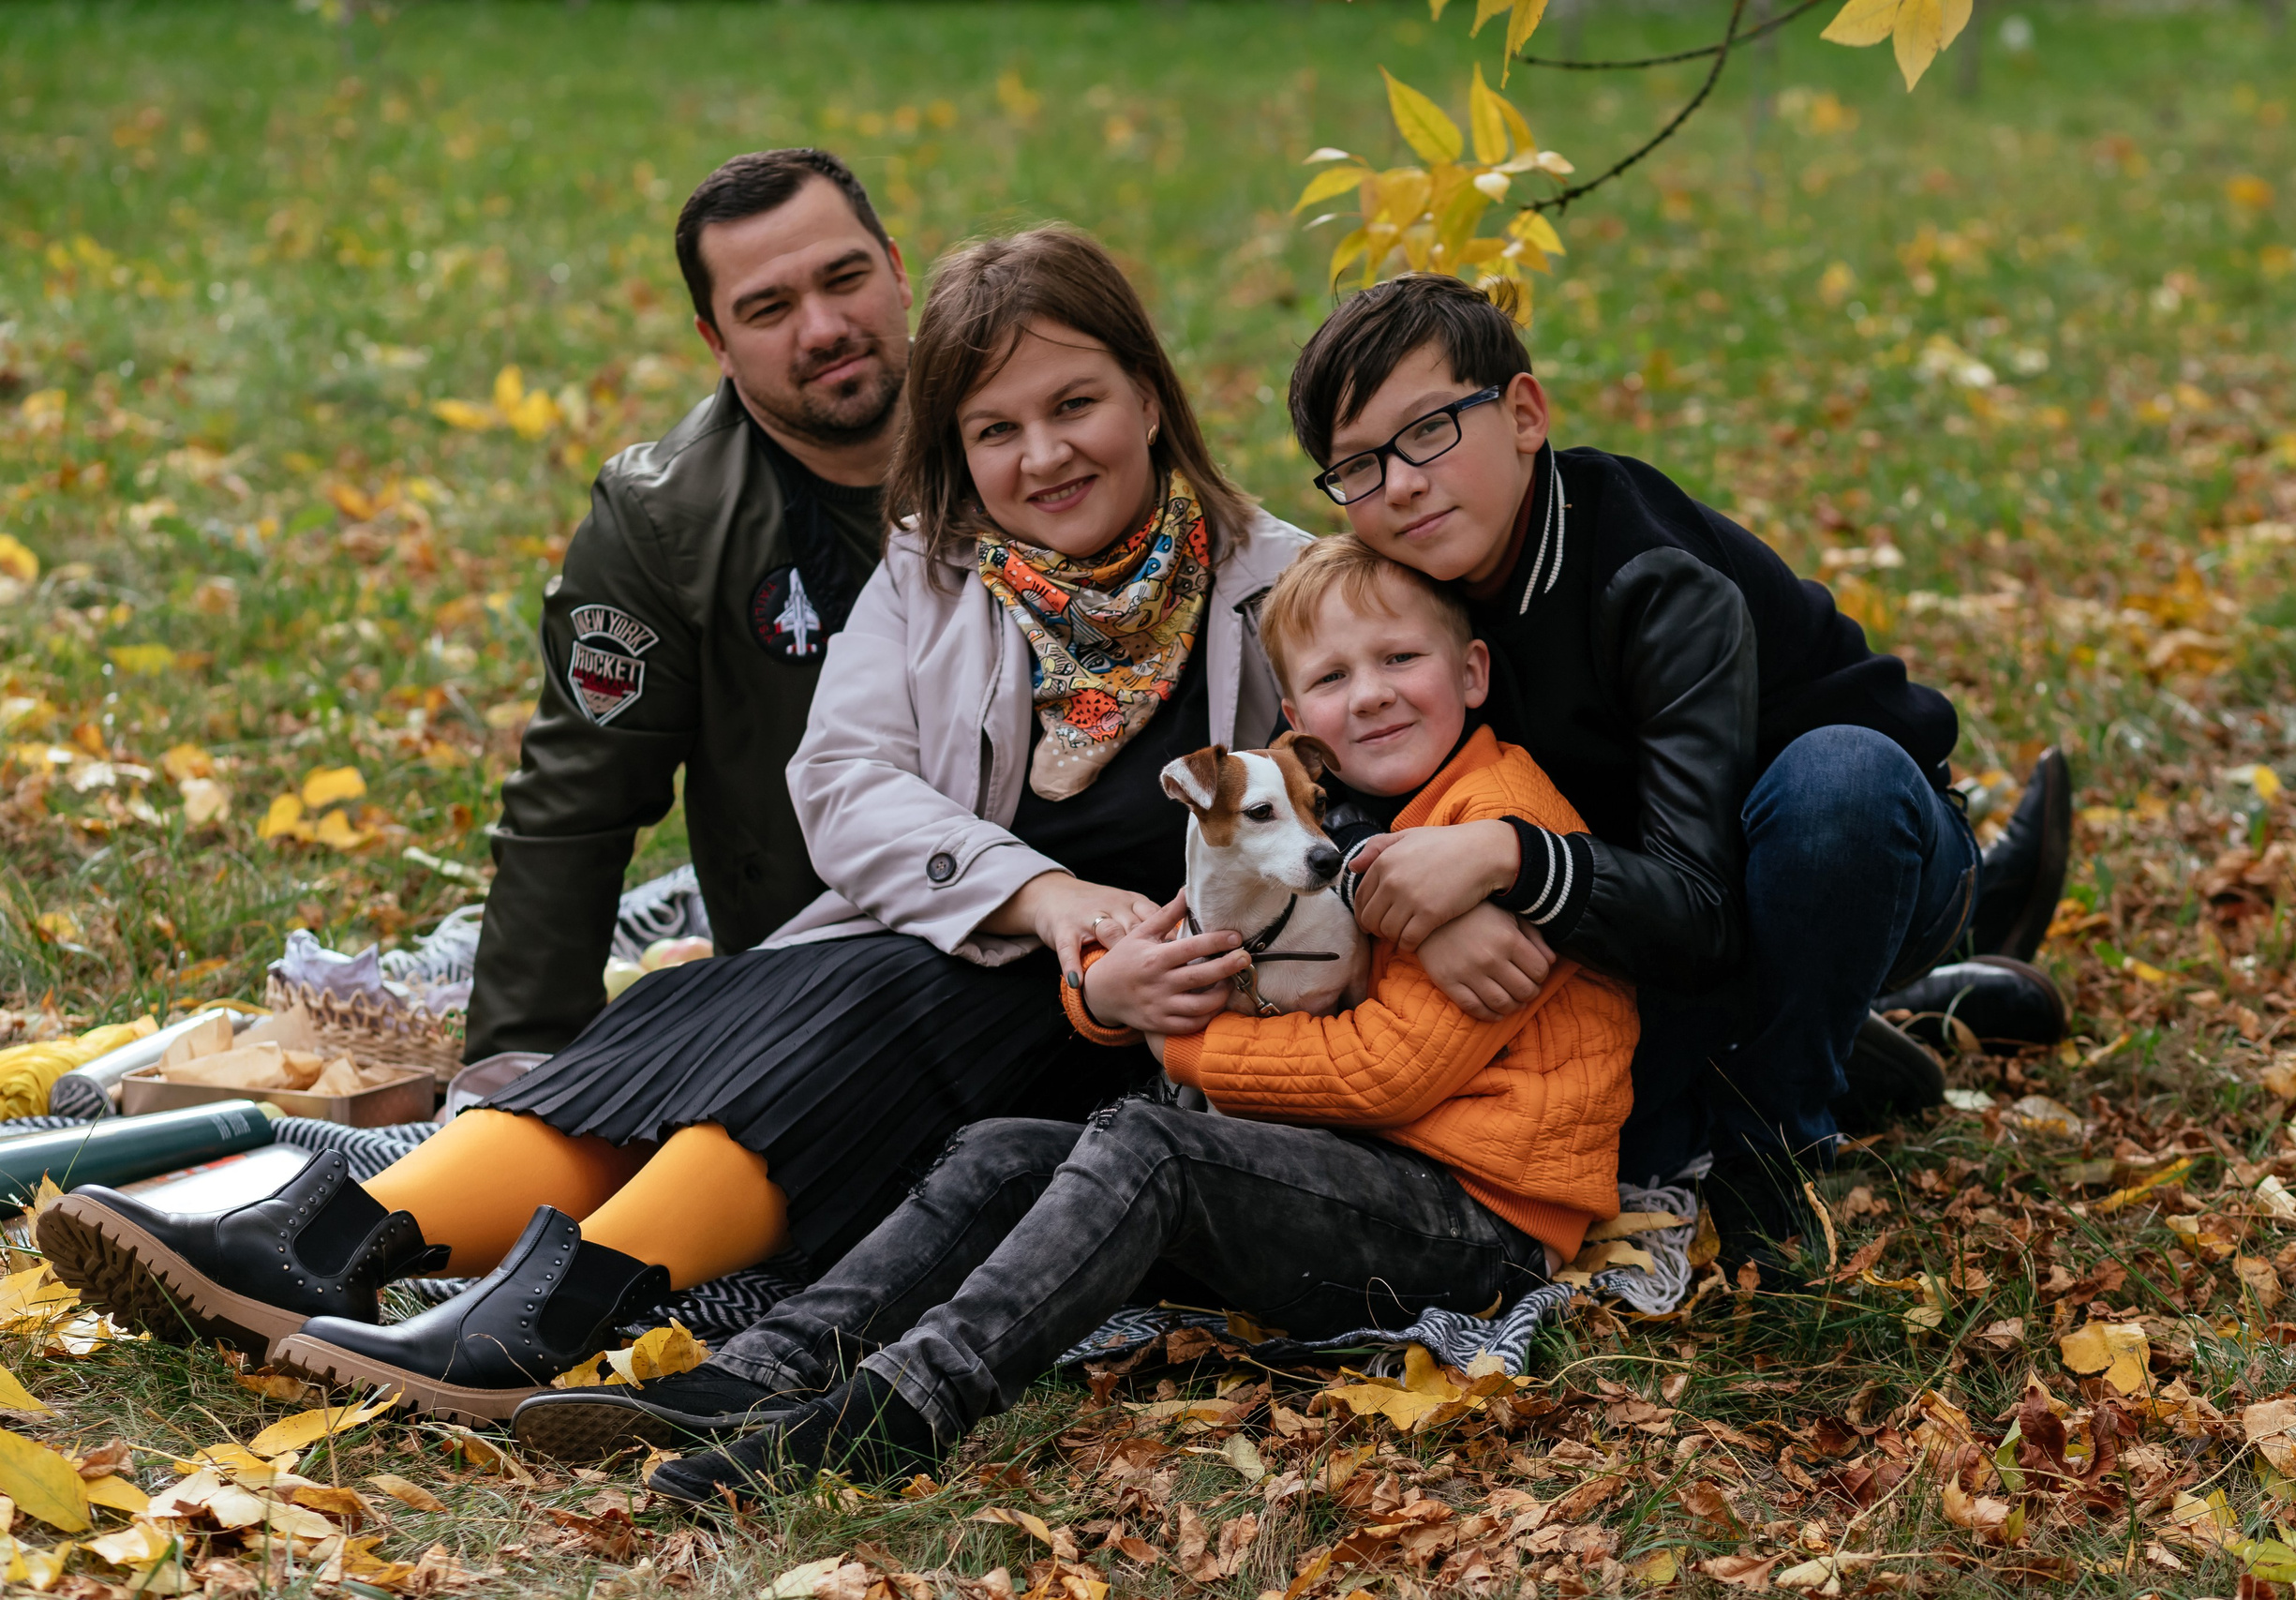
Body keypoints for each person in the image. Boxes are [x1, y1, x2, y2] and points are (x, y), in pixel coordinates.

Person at [38, 227, 1345, 1425]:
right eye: (996, 428)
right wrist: (1047, 902)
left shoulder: (1278, 587)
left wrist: (1146, 972)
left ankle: (544, 1314)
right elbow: (844, 782)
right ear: (955, 449)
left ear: (1150, 393)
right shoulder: (937, 572)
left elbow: (1352, 836)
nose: (1044, 455)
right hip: (960, 951)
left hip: (1128, 1043)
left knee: (883, 1002)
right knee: (697, 1007)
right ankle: (331, 1237)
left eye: (1075, 405)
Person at [508, 535, 1638, 1500]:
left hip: (1474, 1221)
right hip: (1333, 1180)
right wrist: (1110, 1003)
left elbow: (1388, 1074)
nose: (1374, 693)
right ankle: (763, 1365)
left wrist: (1184, 1044)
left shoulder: (1497, 820)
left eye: (1402, 659)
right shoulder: (1331, 816)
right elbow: (1208, 940)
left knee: (1146, 1142)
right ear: (1294, 719)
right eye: (1336, 678)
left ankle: (898, 1408)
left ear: (1474, 670)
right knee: (1007, 1154)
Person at [1281, 274, 2068, 1276]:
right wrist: (1400, 890)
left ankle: (1771, 1141)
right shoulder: (1398, 589)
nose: (1399, 484)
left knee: (1837, 783)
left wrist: (1503, 859)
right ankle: (1866, 1037)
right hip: (1625, 924)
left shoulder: (1647, 577)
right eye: (1356, 465)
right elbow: (1315, 776)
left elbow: (1700, 908)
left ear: (1524, 415)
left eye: (1430, 430)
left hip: (1844, 859)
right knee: (1599, 1124)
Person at [468, 147, 913, 1062]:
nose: (824, 328)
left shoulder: (1036, 432)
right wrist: (508, 1068)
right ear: (715, 341)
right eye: (769, 309)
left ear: (899, 270)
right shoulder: (665, 523)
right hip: (819, 990)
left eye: (846, 278)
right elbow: (575, 808)